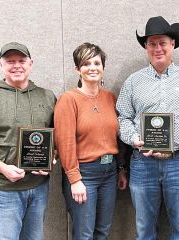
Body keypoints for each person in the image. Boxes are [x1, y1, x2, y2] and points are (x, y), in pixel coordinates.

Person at [116, 16, 179, 240]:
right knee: (144, 231)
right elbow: (122, 119)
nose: (158, 48)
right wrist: (135, 138)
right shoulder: (133, 82)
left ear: (172, 43)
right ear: (146, 47)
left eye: (162, 42)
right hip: (142, 164)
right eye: (152, 43)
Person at [0, 42, 56, 240]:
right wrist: (2, 168)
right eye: (10, 61)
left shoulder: (48, 96)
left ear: (31, 63)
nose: (16, 65)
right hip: (4, 190)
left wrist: (52, 159)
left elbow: (56, 138)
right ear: (1, 65)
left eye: (21, 60)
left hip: (39, 187)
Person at [54, 42, 127, 240]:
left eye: (97, 63)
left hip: (109, 174)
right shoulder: (68, 100)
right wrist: (75, 179)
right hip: (84, 174)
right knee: (84, 234)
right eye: (86, 64)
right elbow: (65, 141)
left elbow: (116, 138)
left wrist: (120, 169)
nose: (92, 68)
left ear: (103, 67)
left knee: (102, 232)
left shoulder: (110, 98)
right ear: (78, 69)